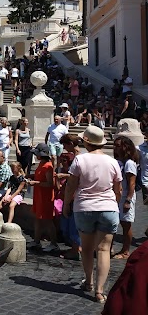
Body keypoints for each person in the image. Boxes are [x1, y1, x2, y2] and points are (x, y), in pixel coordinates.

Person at [63, 125, 122, 304]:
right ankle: (100, 290)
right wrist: (114, 204)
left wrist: (66, 204)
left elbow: (71, 186)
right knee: (104, 250)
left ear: (86, 142)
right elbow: (117, 189)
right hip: (108, 207)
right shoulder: (112, 161)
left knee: (87, 248)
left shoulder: (80, 160)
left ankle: (88, 282)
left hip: (84, 207)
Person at [111, 135, 138, 260]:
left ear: (125, 147)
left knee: (126, 224)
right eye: (114, 145)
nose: (115, 148)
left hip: (126, 196)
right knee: (116, 222)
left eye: (118, 145)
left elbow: (131, 183)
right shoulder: (119, 162)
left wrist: (128, 200)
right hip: (118, 196)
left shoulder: (129, 164)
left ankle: (126, 250)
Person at [28, 143, 59, 252]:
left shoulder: (48, 166)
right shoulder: (41, 164)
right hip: (39, 195)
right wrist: (31, 177)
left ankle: (54, 243)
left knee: (47, 220)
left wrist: (35, 182)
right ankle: (36, 241)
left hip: (45, 197)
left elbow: (50, 183)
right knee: (38, 218)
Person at [56, 135, 82, 261]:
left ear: (71, 143)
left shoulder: (79, 156)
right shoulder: (75, 155)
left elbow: (78, 175)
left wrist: (64, 175)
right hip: (72, 192)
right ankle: (76, 247)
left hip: (75, 193)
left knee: (73, 223)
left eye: (65, 145)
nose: (64, 148)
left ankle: (75, 250)